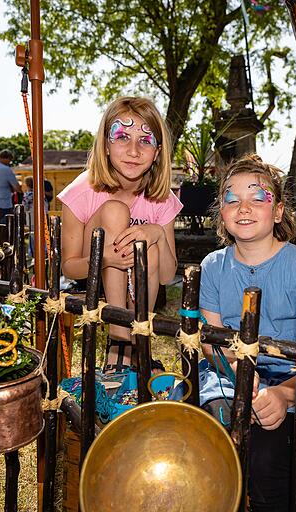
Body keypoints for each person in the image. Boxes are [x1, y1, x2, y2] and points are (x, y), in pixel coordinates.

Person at [197, 155, 296, 511]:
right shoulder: (212, 268)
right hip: (227, 377)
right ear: (222, 213)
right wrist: (239, 377)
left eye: (257, 197)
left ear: (278, 211)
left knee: (266, 461)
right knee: (207, 443)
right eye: (231, 199)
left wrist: (283, 395)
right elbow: (211, 343)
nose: (243, 206)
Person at [57, 96, 182, 371]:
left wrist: (157, 233)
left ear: (158, 152)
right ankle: (120, 339)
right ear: (105, 144)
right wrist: (105, 258)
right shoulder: (83, 191)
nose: (134, 151)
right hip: (95, 270)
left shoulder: (162, 199)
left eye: (145, 141)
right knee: (114, 212)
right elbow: (69, 267)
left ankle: (139, 337)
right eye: (122, 136)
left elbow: (166, 276)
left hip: (143, 293)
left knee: (144, 239)